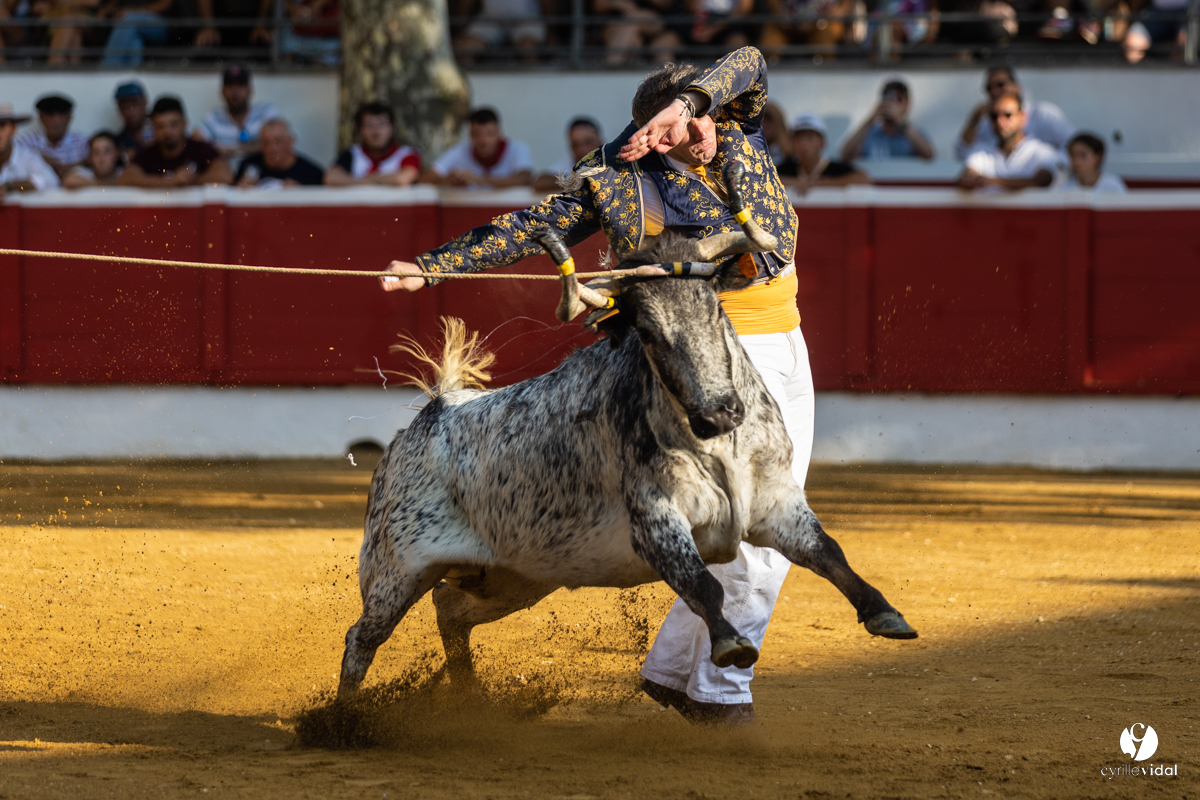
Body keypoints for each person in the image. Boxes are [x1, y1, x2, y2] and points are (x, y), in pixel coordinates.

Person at [380, 47, 816, 724]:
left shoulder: (733, 129)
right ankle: (719, 695)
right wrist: (432, 267)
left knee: (757, 530)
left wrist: (694, 102)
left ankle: (675, 673)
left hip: (786, 345)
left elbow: (751, 62)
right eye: (682, 128)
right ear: (650, 135)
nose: (703, 136)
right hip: (701, 359)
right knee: (761, 529)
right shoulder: (616, 179)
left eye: (705, 118)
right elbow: (531, 227)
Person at [955, 67, 1073, 160]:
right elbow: (963, 153)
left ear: (1023, 117)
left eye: (1000, 84)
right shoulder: (988, 122)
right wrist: (974, 119)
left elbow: (1072, 147)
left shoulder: (1044, 114)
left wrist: (1051, 166)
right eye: (989, 88)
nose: (994, 91)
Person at [120, 96, 233, 188]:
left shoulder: (200, 149)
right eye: (160, 126)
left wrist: (189, 180)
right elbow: (125, 179)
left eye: (173, 124)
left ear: (184, 124)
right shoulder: (146, 153)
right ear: (153, 128)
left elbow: (225, 176)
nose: (167, 131)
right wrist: (170, 181)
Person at [956, 92, 1059, 193]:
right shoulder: (981, 151)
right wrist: (969, 180)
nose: (1000, 122)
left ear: (1023, 117)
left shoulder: (1042, 151)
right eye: (994, 116)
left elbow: (1042, 181)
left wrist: (991, 182)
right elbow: (966, 177)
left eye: (1007, 115)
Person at [426, 107, 534, 189]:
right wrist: (448, 180)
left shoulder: (517, 148)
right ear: (470, 136)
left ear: (499, 134)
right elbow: (426, 178)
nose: (484, 140)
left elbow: (524, 179)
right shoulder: (460, 150)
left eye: (490, 134)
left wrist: (477, 179)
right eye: (477, 134)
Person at [195, 64, 281, 164]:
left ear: (250, 90)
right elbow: (195, 144)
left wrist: (231, 150)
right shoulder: (215, 118)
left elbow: (279, 143)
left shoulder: (265, 112)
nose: (235, 91)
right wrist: (255, 147)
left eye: (241, 85)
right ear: (222, 92)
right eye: (230, 85)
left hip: (261, 176)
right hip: (226, 178)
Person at [324, 101, 421, 187]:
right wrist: (367, 182)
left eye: (382, 124)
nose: (376, 132)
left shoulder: (407, 154)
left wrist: (366, 179)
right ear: (360, 130)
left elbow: (402, 179)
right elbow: (331, 178)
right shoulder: (352, 153)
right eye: (369, 125)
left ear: (392, 128)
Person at [840, 80, 934, 161]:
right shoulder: (870, 133)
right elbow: (845, 156)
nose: (892, 104)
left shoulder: (914, 133)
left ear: (907, 104)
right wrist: (871, 119)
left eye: (899, 100)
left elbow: (929, 155)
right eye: (888, 99)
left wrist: (901, 122)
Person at [777, 113, 869, 194]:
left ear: (822, 142)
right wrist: (799, 183)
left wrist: (822, 184)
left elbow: (863, 179)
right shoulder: (787, 167)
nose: (803, 144)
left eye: (809, 138)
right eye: (798, 139)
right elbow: (764, 178)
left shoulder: (834, 168)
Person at [233, 118, 325, 188]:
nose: (272, 148)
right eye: (266, 142)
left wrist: (301, 195)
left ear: (291, 141)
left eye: (278, 141)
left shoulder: (312, 174)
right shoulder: (248, 165)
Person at [16, 94, 89, 180]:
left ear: (69, 117)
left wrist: (76, 166)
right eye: (50, 114)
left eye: (61, 114)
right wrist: (39, 157)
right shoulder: (28, 142)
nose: (56, 120)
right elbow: (11, 152)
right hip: (40, 193)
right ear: (41, 118)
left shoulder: (83, 142)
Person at [452, 0, 548, 61]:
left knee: (528, 48)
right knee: (464, 49)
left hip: (527, 20)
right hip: (490, 20)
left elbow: (547, 2)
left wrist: (551, 32)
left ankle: (530, 88)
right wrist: (461, 30)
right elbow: (466, 2)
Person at [593, 0, 682, 66]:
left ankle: (610, 68)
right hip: (618, 22)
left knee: (633, 22)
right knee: (629, 30)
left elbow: (666, 3)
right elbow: (598, 5)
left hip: (655, 22)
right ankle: (612, 69)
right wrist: (618, 3)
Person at [0, 102, 60, 195]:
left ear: (14, 129)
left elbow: (50, 181)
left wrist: (11, 186)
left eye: (2, 126)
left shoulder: (27, 157)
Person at [532, 117, 604, 193]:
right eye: (576, 144)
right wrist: (579, 180)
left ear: (601, 142)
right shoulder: (567, 164)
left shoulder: (613, 161)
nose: (582, 149)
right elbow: (540, 183)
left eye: (588, 142)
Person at [98, 0, 174, 67]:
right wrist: (107, 10)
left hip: (160, 23)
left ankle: (108, 68)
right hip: (130, 23)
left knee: (129, 21)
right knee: (135, 40)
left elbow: (165, 4)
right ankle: (133, 74)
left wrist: (135, 11)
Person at [1055, 132, 1127, 193]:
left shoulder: (1113, 187)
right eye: (1072, 155)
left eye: (1083, 155)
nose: (1077, 161)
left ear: (1098, 157)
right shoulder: (1065, 190)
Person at [114, 81, 154, 158]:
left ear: (145, 102)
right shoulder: (119, 141)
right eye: (124, 106)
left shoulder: (161, 129)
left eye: (134, 104)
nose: (130, 111)